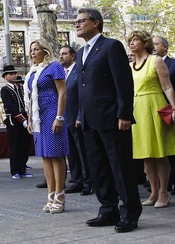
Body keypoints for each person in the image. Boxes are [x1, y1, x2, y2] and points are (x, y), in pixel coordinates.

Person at [75, 8, 142, 232]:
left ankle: (130, 213)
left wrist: (124, 114)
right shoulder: (80, 52)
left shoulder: (111, 46)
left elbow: (123, 83)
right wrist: (79, 115)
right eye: (76, 21)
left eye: (81, 21)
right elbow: (82, 88)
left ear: (96, 23)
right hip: (88, 120)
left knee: (121, 167)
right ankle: (108, 209)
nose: (77, 24)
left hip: (112, 118)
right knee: (98, 168)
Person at [128, 30, 175, 208]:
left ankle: (164, 192)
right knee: (146, 154)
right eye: (130, 40)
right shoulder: (131, 65)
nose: (132, 43)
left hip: (154, 106)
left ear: (144, 42)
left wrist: (174, 107)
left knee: (160, 153)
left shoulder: (155, 61)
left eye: (135, 40)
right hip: (137, 109)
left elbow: (167, 86)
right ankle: (154, 192)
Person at [23, 39, 68, 214]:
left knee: (56, 154)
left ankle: (60, 194)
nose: (33, 53)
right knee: (45, 156)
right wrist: (29, 119)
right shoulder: (32, 72)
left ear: (45, 51)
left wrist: (59, 116)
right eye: (31, 50)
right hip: (38, 116)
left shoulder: (54, 66)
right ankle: (50, 194)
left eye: (36, 49)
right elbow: (30, 98)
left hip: (51, 112)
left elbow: (62, 92)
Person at [59, 45, 92, 196]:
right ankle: (77, 180)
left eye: (64, 54)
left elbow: (83, 95)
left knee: (82, 152)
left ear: (73, 56)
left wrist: (80, 115)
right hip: (64, 119)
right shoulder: (61, 74)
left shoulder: (78, 71)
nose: (61, 56)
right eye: (60, 54)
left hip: (77, 118)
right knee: (71, 153)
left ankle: (88, 183)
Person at [0, 65, 32, 180]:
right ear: (5, 76)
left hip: (23, 119)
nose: (13, 76)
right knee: (15, 145)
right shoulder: (5, 89)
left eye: (14, 74)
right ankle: (15, 170)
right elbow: (10, 106)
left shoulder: (18, 88)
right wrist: (22, 119)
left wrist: (26, 118)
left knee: (24, 145)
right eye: (11, 74)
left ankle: (22, 168)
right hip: (13, 121)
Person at [153, 36, 175, 195]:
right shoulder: (146, 63)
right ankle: (160, 186)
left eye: (156, 44)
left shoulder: (173, 64)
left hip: (170, 109)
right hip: (154, 108)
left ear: (166, 47)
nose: (153, 46)